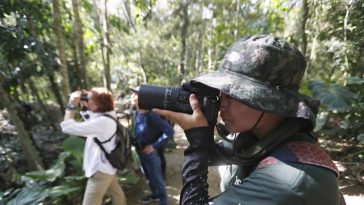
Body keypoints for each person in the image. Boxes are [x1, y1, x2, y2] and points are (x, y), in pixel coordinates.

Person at [153, 35, 346, 205]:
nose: (222, 105)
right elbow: (211, 154)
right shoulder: (262, 137)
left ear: (269, 103)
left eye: (233, 95)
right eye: (222, 94)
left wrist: (196, 140)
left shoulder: (290, 178)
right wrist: (200, 125)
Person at [60, 87, 126, 205]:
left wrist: (71, 105)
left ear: (97, 105)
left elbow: (66, 127)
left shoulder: (102, 122)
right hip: (108, 166)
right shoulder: (109, 115)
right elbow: (91, 118)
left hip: (100, 171)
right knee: (116, 194)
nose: (87, 101)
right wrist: (86, 103)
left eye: (90, 100)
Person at [130, 86, 174, 205]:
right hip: (140, 151)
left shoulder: (152, 114)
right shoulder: (136, 113)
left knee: (157, 179)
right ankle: (154, 194)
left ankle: (163, 201)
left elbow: (169, 131)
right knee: (148, 176)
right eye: (133, 94)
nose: (133, 96)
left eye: (136, 94)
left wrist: (154, 146)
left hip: (150, 152)